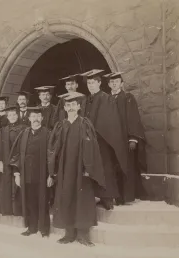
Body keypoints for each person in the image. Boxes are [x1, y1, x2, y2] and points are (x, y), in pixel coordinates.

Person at [48, 92, 106, 246]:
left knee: (82, 200)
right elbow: (54, 148)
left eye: (74, 104)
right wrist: (52, 170)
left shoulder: (85, 124)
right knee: (66, 197)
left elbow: (92, 147)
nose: (71, 107)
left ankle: (83, 235)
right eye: (68, 105)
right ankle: (69, 233)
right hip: (65, 170)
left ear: (79, 106)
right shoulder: (61, 125)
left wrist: (89, 168)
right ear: (65, 108)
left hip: (81, 169)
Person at [80, 69, 128, 210]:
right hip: (88, 140)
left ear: (99, 83)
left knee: (105, 167)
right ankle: (95, 195)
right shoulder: (87, 99)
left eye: (93, 82)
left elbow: (108, 120)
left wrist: (93, 133)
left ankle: (107, 197)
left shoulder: (106, 98)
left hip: (102, 140)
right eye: (88, 83)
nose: (91, 85)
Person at [9, 107, 52, 237]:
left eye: (38, 116)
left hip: (42, 175)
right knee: (29, 202)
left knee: (43, 201)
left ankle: (44, 229)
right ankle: (32, 227)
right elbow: (15, 154)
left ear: (42, 118)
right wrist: (17, 173)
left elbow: (53, 156)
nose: (36, 119)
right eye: (33, 117)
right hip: (26, 175)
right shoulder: (24, 134)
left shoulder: (48, 134)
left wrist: (51, 175)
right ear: (29, 119)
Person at [106, 72, 147, 204]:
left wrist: (133, 138)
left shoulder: (128, 98)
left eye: (116, 81)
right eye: (111, 82)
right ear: (108, 84)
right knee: (113, 167)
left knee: (126, 167)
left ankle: (126, 197)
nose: (114, 84)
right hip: (111, 141)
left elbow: (133, 118)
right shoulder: (106, 99)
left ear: (121, 84)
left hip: (125, 140)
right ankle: (115, 196)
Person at [0, 106, 27, 216]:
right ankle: (6, 209)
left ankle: (18, 210)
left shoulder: (24, 128)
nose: (12, 117)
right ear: (7, 117)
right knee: (6, 184)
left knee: (18, 184)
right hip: (6, 161)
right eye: (10, 115)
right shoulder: (4, 130)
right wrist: (0, 161)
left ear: (17, 116)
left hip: (20, 161)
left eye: (14, 115)